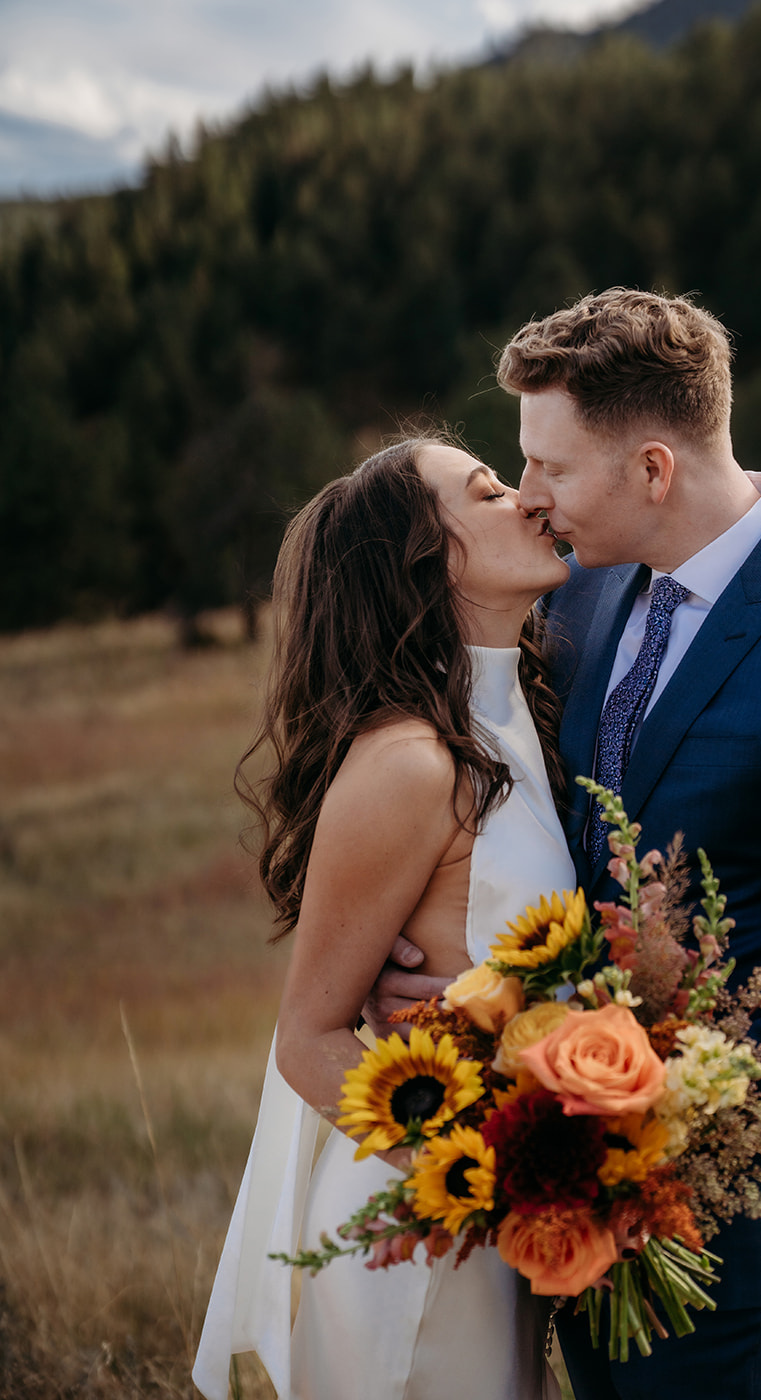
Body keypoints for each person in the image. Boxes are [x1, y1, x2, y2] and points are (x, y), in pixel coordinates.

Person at [372, 289, 761, 1400]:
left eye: (550, 467)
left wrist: (598, 1116)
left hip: (727, 1237)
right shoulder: (582, 595)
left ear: (651, 468)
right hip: (557, 1221)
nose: (528, 498)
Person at [192, 435, 575, 1400]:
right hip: (416, 1235)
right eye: (489, 492)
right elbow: (309, 1036)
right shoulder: (410, 762)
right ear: (423, 562)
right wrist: (485, 1181)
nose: (529, 499)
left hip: (488, 1229)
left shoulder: (513, 716)